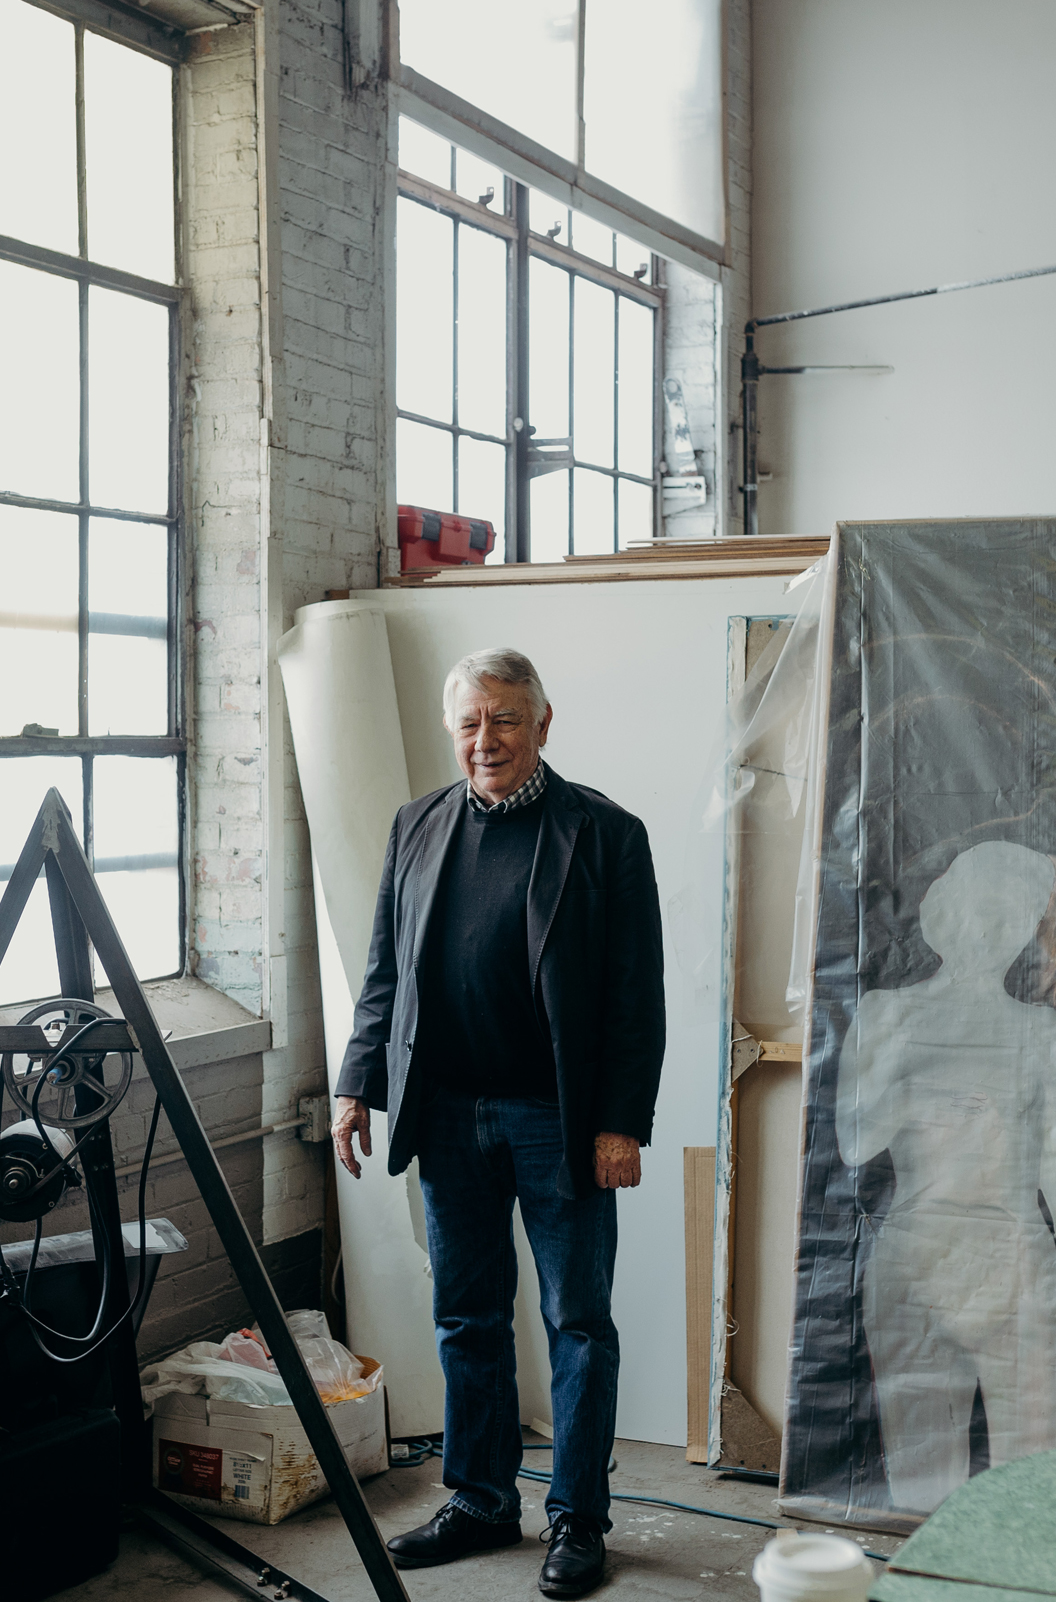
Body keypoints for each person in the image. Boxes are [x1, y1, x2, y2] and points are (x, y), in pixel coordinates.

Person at [331, 647, 664, 1599]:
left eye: (506, 720)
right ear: (454, 729)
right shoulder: (418, 825)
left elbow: (636, 998)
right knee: (466, 1316)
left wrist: (619, 1124)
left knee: (576, 1320)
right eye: (472, 722)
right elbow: (384, 973)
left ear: (543, 724)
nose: (488, 740)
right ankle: (480, 1498)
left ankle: (577, 1517)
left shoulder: (605, 834)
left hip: (556, 1122)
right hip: (449, 1117)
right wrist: (358, 1082)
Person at [835, 840, 1056, 1512]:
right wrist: (906, 1074)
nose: (1000, 929)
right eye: (986, 909)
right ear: (947, 911)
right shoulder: (887, 1014)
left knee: (1037, 1479)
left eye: (1019, 915)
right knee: (922, 1476)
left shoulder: (1045, 1032)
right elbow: (854, 1143)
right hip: (917, 1260)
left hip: (1020, 1261)